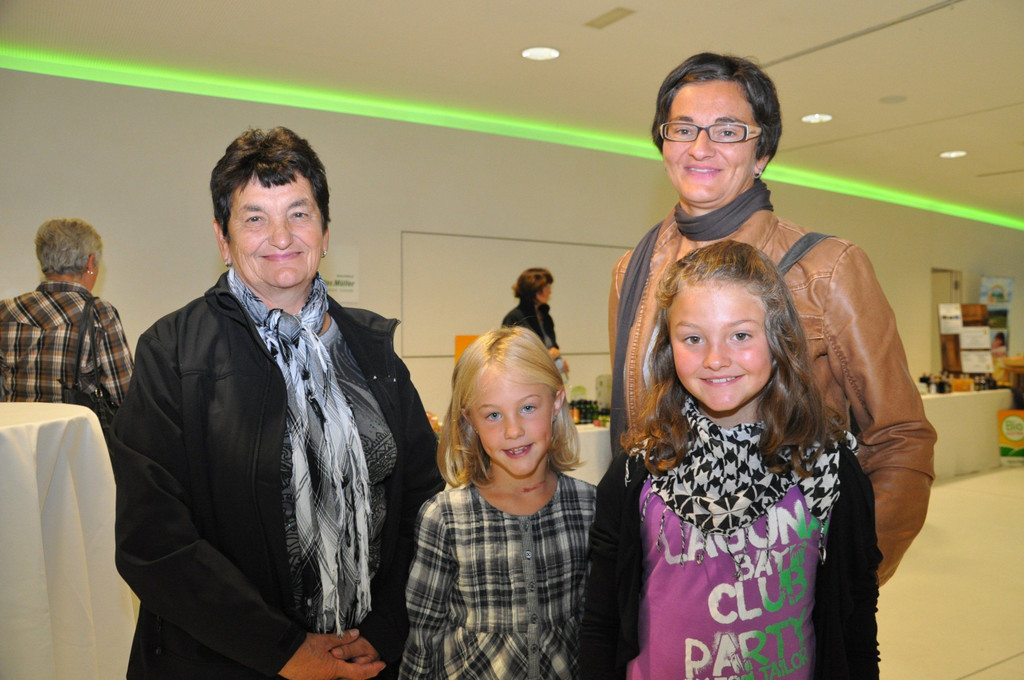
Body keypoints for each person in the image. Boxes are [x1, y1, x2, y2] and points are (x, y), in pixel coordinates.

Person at [110, 127, 444, 680]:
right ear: (223, 238)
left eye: (299, 213)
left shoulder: (373, 350)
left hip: (368, 659)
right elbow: (153, 540)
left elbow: (424, 506)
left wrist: (386, 629)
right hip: (229, 664)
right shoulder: (172, 353)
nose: (281, 236)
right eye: (255, 218)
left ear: (325, 231)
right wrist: (284, 650)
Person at [609, 52, 934, 585]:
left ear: (762, 152)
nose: (700, 147)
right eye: (683, 128)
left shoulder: (827, 269)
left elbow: (900, 438)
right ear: (663, 143)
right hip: (667, 572)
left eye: (728, 131)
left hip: (786, 573)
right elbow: (638, 429)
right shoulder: (633, 273)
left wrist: (846, 581)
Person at [584, 241, 880, 679]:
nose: (715, 359)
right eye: (693, 338)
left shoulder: (827, 466)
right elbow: (601, 621)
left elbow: (857, 619)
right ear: (668, 347)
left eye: (740, 335)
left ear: (778, 338)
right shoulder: (638, 471)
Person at [399, 326, 596, 679]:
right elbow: (423, 637)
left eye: (528, 408)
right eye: (493, 415)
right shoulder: (445, 518)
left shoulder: (589, 506)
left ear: (556, 403)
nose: (513, 431)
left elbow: (594, 624)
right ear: (469, 420)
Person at [0, 217, 133, 405]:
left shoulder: (5, 311)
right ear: (90, 262)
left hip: (18, 424)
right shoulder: (100, 313)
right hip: (73, 424)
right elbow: (126, 395)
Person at [503, 267, 569, 376]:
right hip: (525, 377)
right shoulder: (514, 317)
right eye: (546, 287)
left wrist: (560, 362)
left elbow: (552, 347)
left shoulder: (546, 317)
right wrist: (546, 356)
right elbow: (509, 356)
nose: (550, 291)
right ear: (534, 289)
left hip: (545, 375)